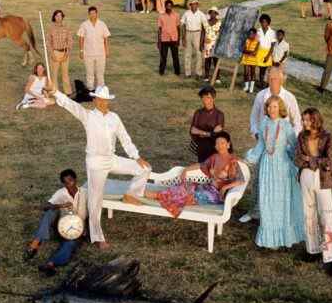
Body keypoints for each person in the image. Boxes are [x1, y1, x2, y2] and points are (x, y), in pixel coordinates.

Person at [51, 85, 151, 249]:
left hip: (111, 159)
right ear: (95, 100)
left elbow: (125, 138)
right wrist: (55, 92)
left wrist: (136, 157)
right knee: (95, 199)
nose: (102, 102)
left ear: (108, 101)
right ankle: (97, 236)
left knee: (145, 168)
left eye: (105, 100)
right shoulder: (88, 116)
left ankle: (132, 194)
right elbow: (71, 105)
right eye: (99, 99)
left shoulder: (114, 118)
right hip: (95, 162)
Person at [241, 67, 302, 223]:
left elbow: (297, 123)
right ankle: (254, 211)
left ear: (282, 80)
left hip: (282, 149)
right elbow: (254, 117)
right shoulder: (261, 96)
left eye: (276, 78)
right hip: (264, 144)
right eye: (271, 78)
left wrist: (287, 142)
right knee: (258, 180)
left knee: (279, 183)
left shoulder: (289, 97)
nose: (273, 81)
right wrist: (256, 133)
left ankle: (278, 214)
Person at [244, 96, 306, 249]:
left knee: (280, 201)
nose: (272, 110)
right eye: (270, 107)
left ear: (280, 109)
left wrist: (298, 163)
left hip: (282, 168)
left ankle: (282, 236)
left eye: (275, 107)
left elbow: (294, 146)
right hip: (266, 166)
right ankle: (269, 237)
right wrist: (250, 157)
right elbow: (260, 146)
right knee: (266, 199)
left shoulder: (285, 126)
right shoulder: (264, 122)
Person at [146, 132, 244, 218]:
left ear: (228, 145)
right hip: (207, 187)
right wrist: (186, 170)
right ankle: (157, 195)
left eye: (222, 143)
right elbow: (202, 164)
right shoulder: (215, 157)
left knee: (189, 196)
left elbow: (241, 180)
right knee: (185, 187)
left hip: (215, 195)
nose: (219, 145)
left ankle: (155, 195)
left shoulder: (233, 161)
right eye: (217, 143)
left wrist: (224, 187)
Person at [294, 108, 332, 276]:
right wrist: (312, 161)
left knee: (327, 216)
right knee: (308, 214)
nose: (305, 122)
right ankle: (312, 249)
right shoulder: (301, 136)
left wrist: (311, 160)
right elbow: (298, 158)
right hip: (306, 178)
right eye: (303, 119)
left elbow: (329, 160)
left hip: (323, 179)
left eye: (307, 120)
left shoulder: (327, 136)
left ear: (315, 120)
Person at [24, 169, 87, 276]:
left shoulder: (85, 193)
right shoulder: (61, 193)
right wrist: (61, 205)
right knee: (50, 212)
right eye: (66, 183)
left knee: (70, 243)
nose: (69, 185)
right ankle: (35, 244)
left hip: (77, 229)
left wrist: (87, 228)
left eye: (71, 181)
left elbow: (93, 211)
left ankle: (51, 264)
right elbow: (45, 206)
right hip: (60, 226)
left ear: (75, 180)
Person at [77, 6, 110, 90]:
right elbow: (81, 38)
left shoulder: (102, 24)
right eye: (91, 14)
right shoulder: (84, 24)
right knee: (89, 72)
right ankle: (90, 89)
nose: (92, 15)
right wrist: (81, 50)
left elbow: (106, 38)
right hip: (88, 53)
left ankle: (101, 89)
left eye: (94, 13)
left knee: (100, 73)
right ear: (88, 14)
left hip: (100, 53)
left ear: (97, 13)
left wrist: (107, 50)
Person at [190, 86, 225, 163]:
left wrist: (202, 133)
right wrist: (209, 133)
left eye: (208, 97)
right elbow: (192, 130)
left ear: (213, 98)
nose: (205, 100)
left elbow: (218, 133)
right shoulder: (198, 113)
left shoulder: (219, 114)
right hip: (201, 146)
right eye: (203, 97)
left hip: (214, 147)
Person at [180, 0, 208, 78]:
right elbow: (182, 25)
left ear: (197, 5)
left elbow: (204, 27)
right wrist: (183, 38)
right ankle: (187, 73)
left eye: (195, 4)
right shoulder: (186, 13)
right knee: (187, 54)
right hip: (188, 33)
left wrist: (202, 40)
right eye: (192, 4)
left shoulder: (201, 14)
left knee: (199, 54)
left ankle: (198, 73)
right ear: (190, 5)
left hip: (197, 34)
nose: (194, 6)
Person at [48, 10, 72, 95]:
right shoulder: (51, 28)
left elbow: (70, 41)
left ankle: (68, 92)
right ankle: (55, 91)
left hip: (64, 53)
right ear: (54, 17)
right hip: (55, 52)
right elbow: (49, 42)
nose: (59, 17)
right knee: (54, 73)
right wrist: (52, 54)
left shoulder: (66, 27)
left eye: (60, 16)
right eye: (57, 16)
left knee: (65, 73)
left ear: (62, 17)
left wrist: (67, 53)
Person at [157, 0, 181, 76]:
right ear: (165, 7)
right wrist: (159, 41)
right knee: (163, 57)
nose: (169, 7)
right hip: (164, 39)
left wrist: (178, 40)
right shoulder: (161, 16)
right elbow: (159, 29)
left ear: (172, 7)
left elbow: (178, 28)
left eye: (170, 6)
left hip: (174, 39)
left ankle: (177, 72)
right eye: (167, 6)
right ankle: (161, 71)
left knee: (175, 57)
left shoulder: (176, 15)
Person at [256, 14, 276, 86]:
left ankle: (268, 83)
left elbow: (272, 45)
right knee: (261, 68)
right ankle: (261, 83)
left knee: (268, 69)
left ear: (268, 23)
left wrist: (268, 56)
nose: (263, 24)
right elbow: (257, 42)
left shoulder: (272, 32)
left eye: (265, 22)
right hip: (260, 52)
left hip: (268, 52)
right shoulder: (258, 31)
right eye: (262, 22)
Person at [203, 7, 222, 82]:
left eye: (214, 13)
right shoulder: (205, 22)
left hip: (216, 44)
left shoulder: (219, 23)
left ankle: (217, 77)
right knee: (207, 60)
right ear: (209, 13)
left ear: (216, 14)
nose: (213, 14)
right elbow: (203, 33)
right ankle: (206, 76)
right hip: (207, 44)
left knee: (216, 61)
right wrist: (201, 43)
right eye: (211, 12)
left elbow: (221, 34)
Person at [241, 28, 259, 93]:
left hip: (253, 60)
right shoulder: (246, 40)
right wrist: (250, 52)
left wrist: (247, 51)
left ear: (255, 34)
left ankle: (251, 88)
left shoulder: (257, 42)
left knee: (252, 73)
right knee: (246, 72)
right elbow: (243, 50)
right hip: (246, 59)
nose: (250, 35)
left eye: (252, 34)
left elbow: (255, 53)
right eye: (249, 34)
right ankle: (246, 87)